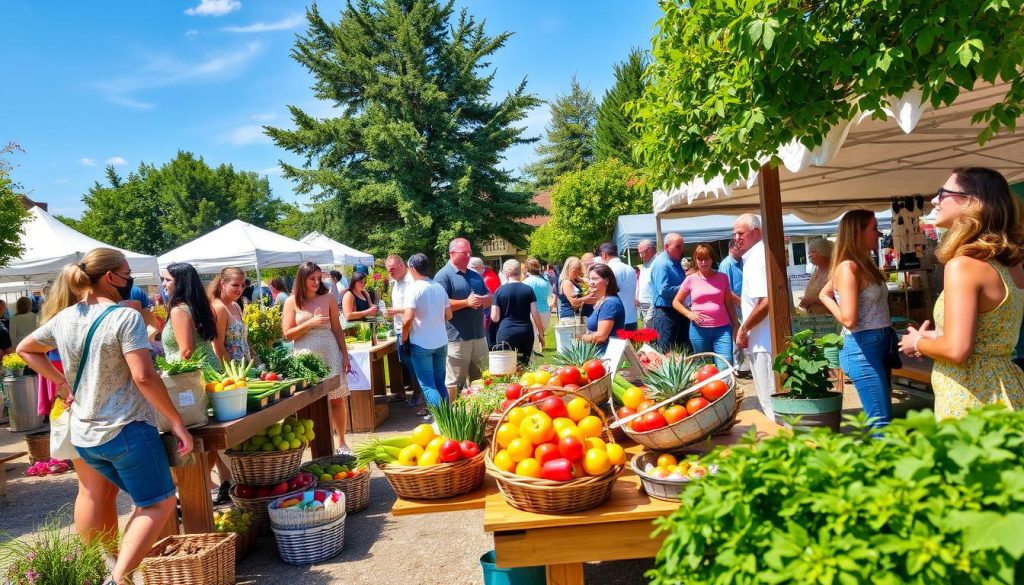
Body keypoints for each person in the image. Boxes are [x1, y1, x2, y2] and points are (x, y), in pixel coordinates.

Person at [16, 248, 193, 585]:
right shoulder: (125, 318)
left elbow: (25, 348)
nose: (130, 281)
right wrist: (175, 420)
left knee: (131, 500)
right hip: (126, 430)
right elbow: (144, 376)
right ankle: (118, 576)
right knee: (160, 503)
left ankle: (112, 569)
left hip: (85, 436)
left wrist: (60, 381)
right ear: (110, 277)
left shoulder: (65, 317)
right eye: (127, 274)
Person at [899, 167, 1024, 418]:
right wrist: (936, 336)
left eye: (943, 193)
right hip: (1004, 386)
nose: (934, 200)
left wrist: (918, 342)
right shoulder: (1010, 264)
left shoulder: (964, 265)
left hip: (972, 395)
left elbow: (958, 349)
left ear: (973, 202)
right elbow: (988, 332)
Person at [818, 211, 894, 427]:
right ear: (856, 233)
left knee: (883, 418)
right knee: (881, 421)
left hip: (877, 344)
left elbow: (825, 292)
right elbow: (849, 320)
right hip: (862, 347)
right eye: (873, 228)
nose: (879, 234)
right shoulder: (848, 267)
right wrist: (835, 305)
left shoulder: (862, 263)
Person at [282, 262, 352, 453]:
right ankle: (315, 444)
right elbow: (287, 334)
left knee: (337, 399)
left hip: (330, 352)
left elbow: (337, 329)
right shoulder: (292, 301)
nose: (315, 282)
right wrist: (310, 323)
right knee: (310, 403)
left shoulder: (328, 297)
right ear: (301, 279)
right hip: (305, 357)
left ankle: (342, 443)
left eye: (318, 278)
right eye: (311, 278)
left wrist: (345, 355)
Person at [435, 238, 492, 397]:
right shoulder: (443, 276)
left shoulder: (475, 275)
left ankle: (480, 415)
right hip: (457, 337)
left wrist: (487, 299)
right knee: (455, 383)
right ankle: (453, 416)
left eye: (469, 252)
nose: (468, 255)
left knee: (482, 379)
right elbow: (439, 304)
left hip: (479, 335)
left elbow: (488, 295)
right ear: (452, 253)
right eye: (464, 252)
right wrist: (466, 302)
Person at [733, 214, 776, 418]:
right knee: (768, 400)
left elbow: (765, 301)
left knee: (769, 401)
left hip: (764, 342)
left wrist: (743, 329)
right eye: (734, 234)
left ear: (756, 232)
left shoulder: (757, 258)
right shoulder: (755, 257)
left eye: (741, 233)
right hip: (761, 341)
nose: (736, 238)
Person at [402, 253, 452, 414]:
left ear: (412, 268)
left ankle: (442, 419)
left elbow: (407, 318)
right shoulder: (439, 287)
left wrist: (404, 339)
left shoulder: (413, 289)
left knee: (428, 385)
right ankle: (449, 418)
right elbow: (449, 315)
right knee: (439, 383)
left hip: (421, 342)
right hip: (441, 340)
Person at [673, 244, 737, 369]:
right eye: (700, 259)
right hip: (699, 329)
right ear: (695, 260)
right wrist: (689, 314)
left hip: (722, 329)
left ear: (712, 259)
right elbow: (676, 302)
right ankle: (704, 388)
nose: (703, 262)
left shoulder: (722, 278)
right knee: (701, 364)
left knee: (725, 363)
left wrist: (735, 325)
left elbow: (729, 303)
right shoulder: (690, 279)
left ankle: (725, 387)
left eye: (706, 259)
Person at [161, 263, 219, 368]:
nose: (163, 284)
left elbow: (186, 352)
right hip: (210, 369)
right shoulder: (197, 306)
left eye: (168, 280)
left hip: (197, 376)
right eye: (163, 280)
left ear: (180, 283)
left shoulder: (179, 311)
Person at [491, 259, 545, 365]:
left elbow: (495, 317)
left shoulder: (499, 291)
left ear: (506, 273)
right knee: (524, 365)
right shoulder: (528, 290)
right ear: (520, 272)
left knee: (507, 367)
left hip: (506, 332)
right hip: (525, 331)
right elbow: (535, 313)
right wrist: (541, 333)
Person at [385, 255, 418, 408]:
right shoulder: (395, 283)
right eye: (388, 270)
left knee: (413, 364)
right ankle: (412, 392)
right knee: (405, 361)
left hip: (411, 328)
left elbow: (416, 308)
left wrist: (394, 311)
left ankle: (419, 394)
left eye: (393, 269)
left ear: (402, 265)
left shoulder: (412, 281)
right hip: (399, 328)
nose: (390, 272)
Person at [650, 233, 690, 352]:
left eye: (682, 246)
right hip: (666, 313)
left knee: (683, 348)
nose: (681, 250)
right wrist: (686, 287)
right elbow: (664, 290)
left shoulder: (675, 262)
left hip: (677, 310)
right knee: (666, 350)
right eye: (678, 247)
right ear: (667, 247)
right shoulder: (662, 264)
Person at [579, 264, 625, 353]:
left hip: (606, 356)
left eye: (595, 279)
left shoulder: (610, 304)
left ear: (607, 281)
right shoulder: (604, 300)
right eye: (590, 279)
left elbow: (601, 337)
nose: (590, 282)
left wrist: (580, 337)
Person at [598, 242, 638, 331]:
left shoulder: (609, 269)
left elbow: (605, 293)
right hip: (631, 317)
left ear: (604, 255)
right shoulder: (630, 268)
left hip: (616, 319)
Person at [522, 258, 553, 353]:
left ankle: (535, 351)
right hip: (545, 311)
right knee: (541, 332)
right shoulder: (545, 281)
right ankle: (540, 348)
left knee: (533, 334)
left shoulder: (525, 282)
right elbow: (549, 295)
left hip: (531, 311)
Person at [557, 257, 596, 325]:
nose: (578, 271)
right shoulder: (567, 282)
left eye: (579, 268)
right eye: (575, 269)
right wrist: (588, 297)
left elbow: (585, 280)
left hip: (573, 316)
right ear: (568, 268)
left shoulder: (573, 279)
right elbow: (574, 303)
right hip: (569, 317)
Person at [800, 238, 834, 315]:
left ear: (825, 253)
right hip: (816, 321)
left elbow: (837, 299)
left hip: (830, 322)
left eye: (813, 252)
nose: (809, 255)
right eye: (809, 252)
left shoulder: (835, 272)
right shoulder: (816, 270)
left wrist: (813, 301)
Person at [636, 239, 657, 324]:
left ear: (650, 250)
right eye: (639, 253)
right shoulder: (646, 263)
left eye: (642, 253)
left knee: (651, 332)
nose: (640, 256)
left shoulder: (657, 263)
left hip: (651, 303)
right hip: (644, 303)